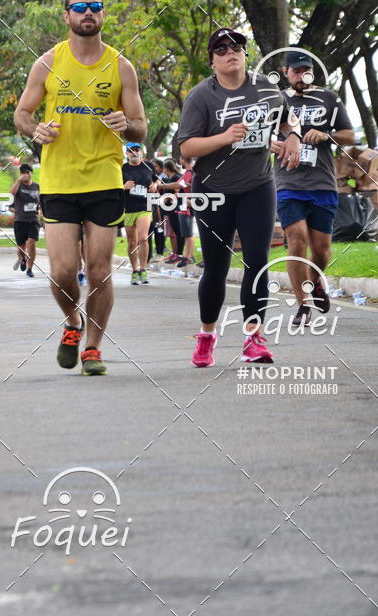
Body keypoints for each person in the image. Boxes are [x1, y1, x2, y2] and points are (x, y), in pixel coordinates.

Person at [14, 0, 147, 375]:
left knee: (101, 269)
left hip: (105, 177)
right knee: (61, 271)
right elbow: (22, 113)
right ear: (67, 16)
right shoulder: (47, 63)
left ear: (103, 14)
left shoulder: (121, 66)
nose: (88, 12)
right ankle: (73, 322)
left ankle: (93, 347)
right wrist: (34, 129)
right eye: (80, 7)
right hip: (58, 180)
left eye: (95, 6)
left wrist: (129, 125)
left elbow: (140, 126)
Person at [176, 26, 302, 368]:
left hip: (257, 186)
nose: (230, 52)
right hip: (212, 189)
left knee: (257, 263)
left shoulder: (266, 87)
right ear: (212, 61)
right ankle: (207, 335)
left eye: (236, 46)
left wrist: (291, 138)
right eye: (221, 49)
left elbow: (288, 121)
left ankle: (254, 339)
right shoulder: (202, 96)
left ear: (245, 54)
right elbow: (187, 147)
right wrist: (223, 137)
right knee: (216, 268)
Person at [273, 50, 354, 326]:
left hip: (322, 183)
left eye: (306, 70)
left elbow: (349, 134)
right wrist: (272, 144)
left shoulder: (328, 98)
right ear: (285, 72)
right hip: (288, 181)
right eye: (295, 71)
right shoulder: (277, 100)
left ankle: (315, 281)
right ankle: (303, 305)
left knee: (321, 249)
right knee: (296, 240)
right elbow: (259, 134)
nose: (301, 75)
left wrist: (326, 134)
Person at [122, 142, 157, 284]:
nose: (134, 152)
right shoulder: (122, 168)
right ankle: (135, 270)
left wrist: (155, 185)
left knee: (143, 238)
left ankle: (143, 269)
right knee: (132, 242)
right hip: (129, 207)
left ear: (141, 152)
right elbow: (113, 186)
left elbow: (156, 180)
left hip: (145, 206)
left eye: (136, 150)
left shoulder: (149, 166)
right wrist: (123, 186)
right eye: (130, 150)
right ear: (126, 154)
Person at [9, 163, 40, 278]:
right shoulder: (19, 185)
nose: (25, 175)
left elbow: (40, 200)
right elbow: (10, 194)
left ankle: (30, 268)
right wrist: (18, 180)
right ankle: (22, 258)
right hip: (20, 220)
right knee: (21, 247)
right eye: (23, 173)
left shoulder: (37, 186)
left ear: (31, 173)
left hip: (33, 220)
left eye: (27, 172)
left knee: (31, 243)